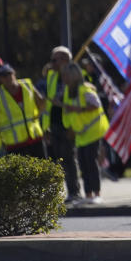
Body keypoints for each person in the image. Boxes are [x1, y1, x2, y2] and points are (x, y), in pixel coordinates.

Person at [60, 62, 109, 205]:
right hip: (81, 135)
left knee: (91, 163)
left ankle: (97, 194)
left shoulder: (85, 89)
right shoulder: (68, 92)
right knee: (83, 164)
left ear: (73, 75)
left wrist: (76, 109)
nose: (64, 78)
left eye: (66, 75)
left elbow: (95, 105)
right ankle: (88, 195)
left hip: (93, 131)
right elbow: (68, 113)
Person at [43, 46, 81, 202]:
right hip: (54, 123)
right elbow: (49, 101)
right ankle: (63, 192)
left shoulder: (74, 75)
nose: (52, 63)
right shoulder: (52, 76)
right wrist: (46, 127)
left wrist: (72, 127)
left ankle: (75, 192)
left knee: (68, 158)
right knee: (58, 160)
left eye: (54, 60)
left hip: (68, 124)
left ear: (65, 59)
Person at [0, 63, 47, 157]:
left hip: (35, 138)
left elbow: (41, 104)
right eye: (3, 76)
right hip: (14, 144)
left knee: (44, 170)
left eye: (9, 73)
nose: (7, 77)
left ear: (14, 73)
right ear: (0, 79)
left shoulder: (27, 85)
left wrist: (37, 117)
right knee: (20, 171)